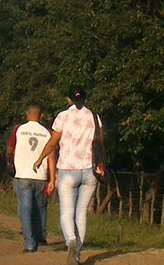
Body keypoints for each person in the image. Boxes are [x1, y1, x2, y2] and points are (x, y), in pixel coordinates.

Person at [33, 87, 101, 265]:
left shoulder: (62, 117)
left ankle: (70, 241)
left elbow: (53, 142)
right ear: (85, 99)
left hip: (67, 170)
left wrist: (40, 159)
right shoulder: (95, 117)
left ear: (68, 99)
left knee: (66, 212)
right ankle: (77, 253)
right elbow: (101, 144)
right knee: (81, 213)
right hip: (90, 171)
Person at [7, 104, 56, 253]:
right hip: (40, 176)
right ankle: (40, 236)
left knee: (25, 208)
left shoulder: (19, 129)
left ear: (26, 114)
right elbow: (51, 158)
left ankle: (29, 243)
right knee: (40, 207)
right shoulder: (47, 133)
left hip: (23, 175)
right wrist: (52, 179)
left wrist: (10, 160)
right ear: (41, 116)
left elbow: (10, 149)